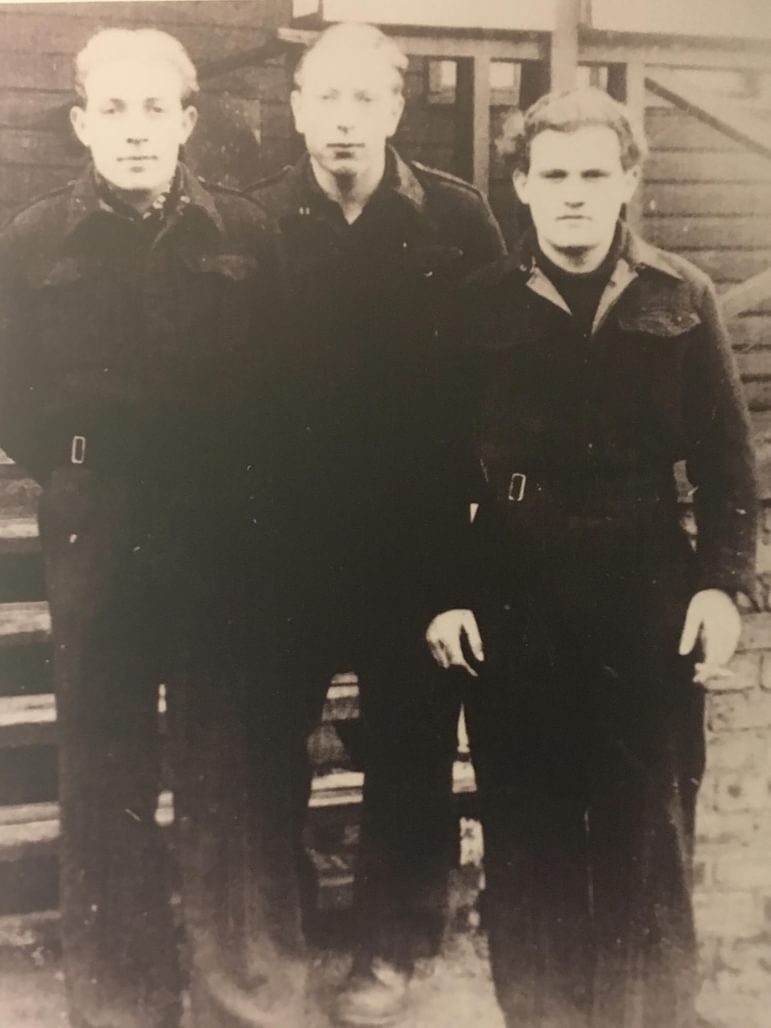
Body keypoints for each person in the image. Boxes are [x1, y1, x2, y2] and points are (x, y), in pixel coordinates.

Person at [426, 87, 758, 1028]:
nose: (574, 195)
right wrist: (446, 595)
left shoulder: (681, 297)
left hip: (643, 590)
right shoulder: (476, 304)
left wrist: (722, 589)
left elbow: (731, 472)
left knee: (644, 831)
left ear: (626, 182)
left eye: (594, 175)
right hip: (514, 593)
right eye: (554, 175)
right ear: (522, 186)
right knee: (526, 833)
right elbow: (434, 468)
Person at [0, 29, 305, 1028]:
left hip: (220, 523)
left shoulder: (248, 233)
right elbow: (18, 396)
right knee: (105, 759)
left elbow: (280, 384)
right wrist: (85, 476)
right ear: (85, 123)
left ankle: (238, 991)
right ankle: (125, 1000)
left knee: (231, 754)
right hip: (98, 516)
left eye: (154, 110)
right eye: (113, 111)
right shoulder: (32, 238)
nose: (135, 131)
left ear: (186, 121)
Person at [250, 21, 505, 1027]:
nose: (344, 118)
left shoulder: (457, 219)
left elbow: (493, 388)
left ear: (395, 110)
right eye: (326, 98)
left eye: (366, 98)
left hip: (414, 540)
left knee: (409, 749)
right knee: (270, 748)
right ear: (298, 107)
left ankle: (396, 947)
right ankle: (284, 934)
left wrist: (463, 550)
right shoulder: (259, 220)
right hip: (290, 541)